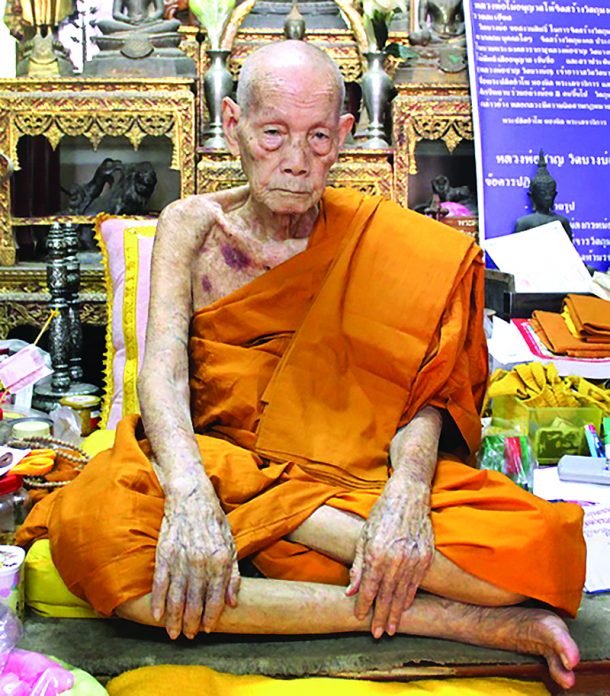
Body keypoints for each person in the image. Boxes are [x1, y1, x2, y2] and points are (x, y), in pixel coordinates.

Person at [18, 41, 585, 690]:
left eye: (317, 138)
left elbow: (421, 390)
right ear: (233, 125)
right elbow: (164, 377)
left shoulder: (380, 237)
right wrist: (191, 497)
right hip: (222, 466)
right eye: (273, 134)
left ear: (343, 136)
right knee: (98, 534)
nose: (295, 161)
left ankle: (343, 561)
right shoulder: (193, 227)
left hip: (358, 477)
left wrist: (405, 496)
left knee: (540, 548)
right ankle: (452, 620)